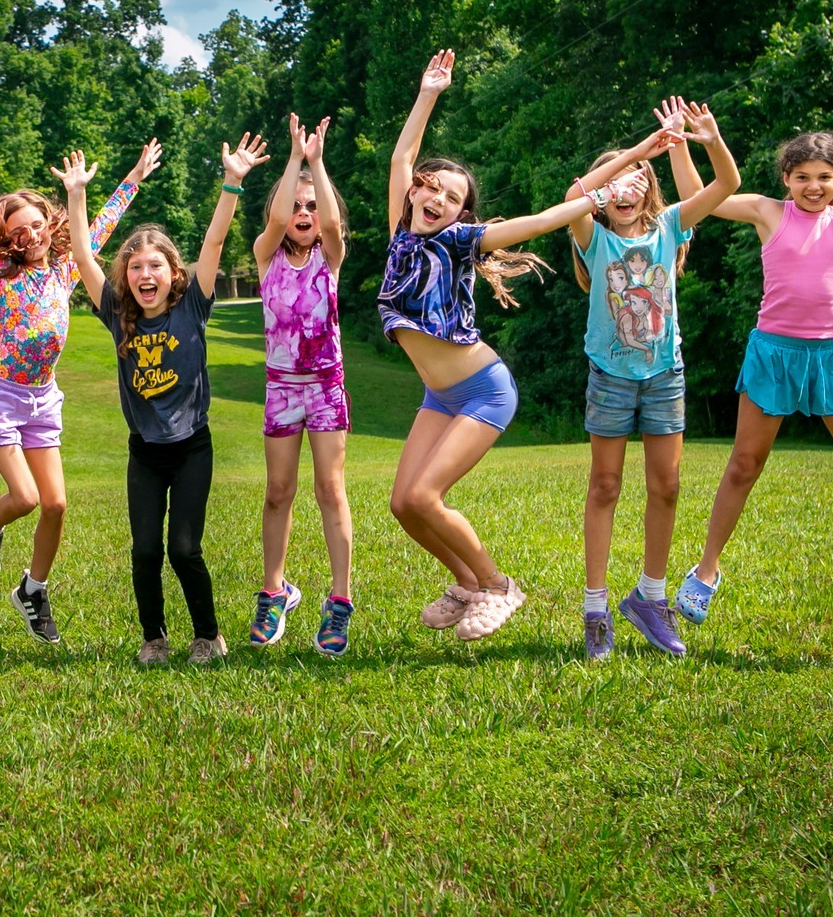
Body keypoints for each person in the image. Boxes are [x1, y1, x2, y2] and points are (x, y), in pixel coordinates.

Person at [382, 50, 656, 641]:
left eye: (452, 198)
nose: (437, 199)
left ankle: (498, 586)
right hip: (439, 397)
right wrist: (428, 92)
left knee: (428, 495)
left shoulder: (459, 242)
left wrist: (598, 201)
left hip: (483, 389)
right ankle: (467, 584)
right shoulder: (400, 236)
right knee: (404, 503)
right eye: (430, 188)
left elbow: (540, 221)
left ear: (462, 214)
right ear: (412, 194)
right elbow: (404, 155)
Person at [674, 46, 833, 627]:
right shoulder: (765, 211)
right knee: (743, 464)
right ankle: (705, 571)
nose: (814, 186)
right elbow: (699, 201)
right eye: (803, 177)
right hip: (774, 353)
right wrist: (696, 142)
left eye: (825, 178)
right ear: (787, 179)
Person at [0, 85, 160, 644]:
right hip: (2, 395)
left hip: (44, 397)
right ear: (5, 239)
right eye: (16, 231)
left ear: (48, 226)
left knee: (55, 504)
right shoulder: (2, 269)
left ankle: (32, 590)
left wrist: (132, 176)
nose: (27, 234)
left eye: (35, 225)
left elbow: (102, 221)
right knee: (27, 498)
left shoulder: (64, 268)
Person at [67, 135, 270, 665]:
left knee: (183, 548)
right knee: (144, 551)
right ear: (126, 279)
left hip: (191, 450)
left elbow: (215, 244)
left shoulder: (192, 308)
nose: (144, 275)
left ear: (173, 274)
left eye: (154, 266)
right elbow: (83, 254)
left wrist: (232, 182)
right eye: (135, 268)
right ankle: (153, 638)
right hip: (145, 453)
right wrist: (76, 194)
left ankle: (208, 635)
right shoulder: (116, 313)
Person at [567, 98, 742, 660]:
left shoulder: (670, 225)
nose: (622, 191)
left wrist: (703, 137)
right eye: (613, 183)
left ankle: (650, 598)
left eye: (634, 182)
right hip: (610, 377)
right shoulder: (593, 236)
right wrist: (638, 150)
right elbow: (573, 198)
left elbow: (726, 183)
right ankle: (596, 609)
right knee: (606, 486)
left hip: (665, 374)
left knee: (666, 488)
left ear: (648, 191)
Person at [248, 113, 356, 656]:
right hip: (281, 389)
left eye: (311, 206)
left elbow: (335, 227)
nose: (304, 213)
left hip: (326, 388)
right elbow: (271, 219)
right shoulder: (266, 257)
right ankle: (275, 590)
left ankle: (339, 602)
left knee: (330, 489)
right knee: (278, 492)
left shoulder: (330, 259)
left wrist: (317, 163)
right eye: (296, 205)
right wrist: (293, 160)